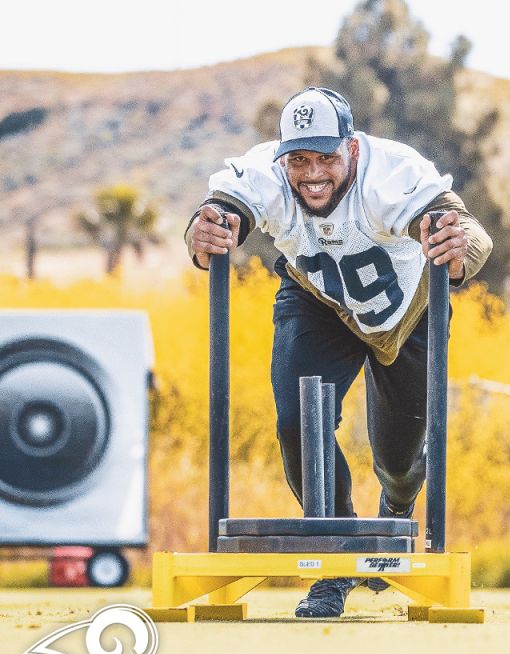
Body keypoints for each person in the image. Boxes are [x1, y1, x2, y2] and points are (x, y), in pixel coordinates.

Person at [185, 87, 492, 618]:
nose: (311, 174)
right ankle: (337, 561)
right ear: (283, 157)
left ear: (351, 149)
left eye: (325, 157)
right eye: (298, 159)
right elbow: (220, 207)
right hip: (318, 303)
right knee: (296, 426)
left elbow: (464, 228)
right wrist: (202, 228)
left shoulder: (393, 173)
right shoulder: (268, 174)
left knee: (399, 458)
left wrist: (460, 249)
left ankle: (395, 505)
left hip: (409, 314)